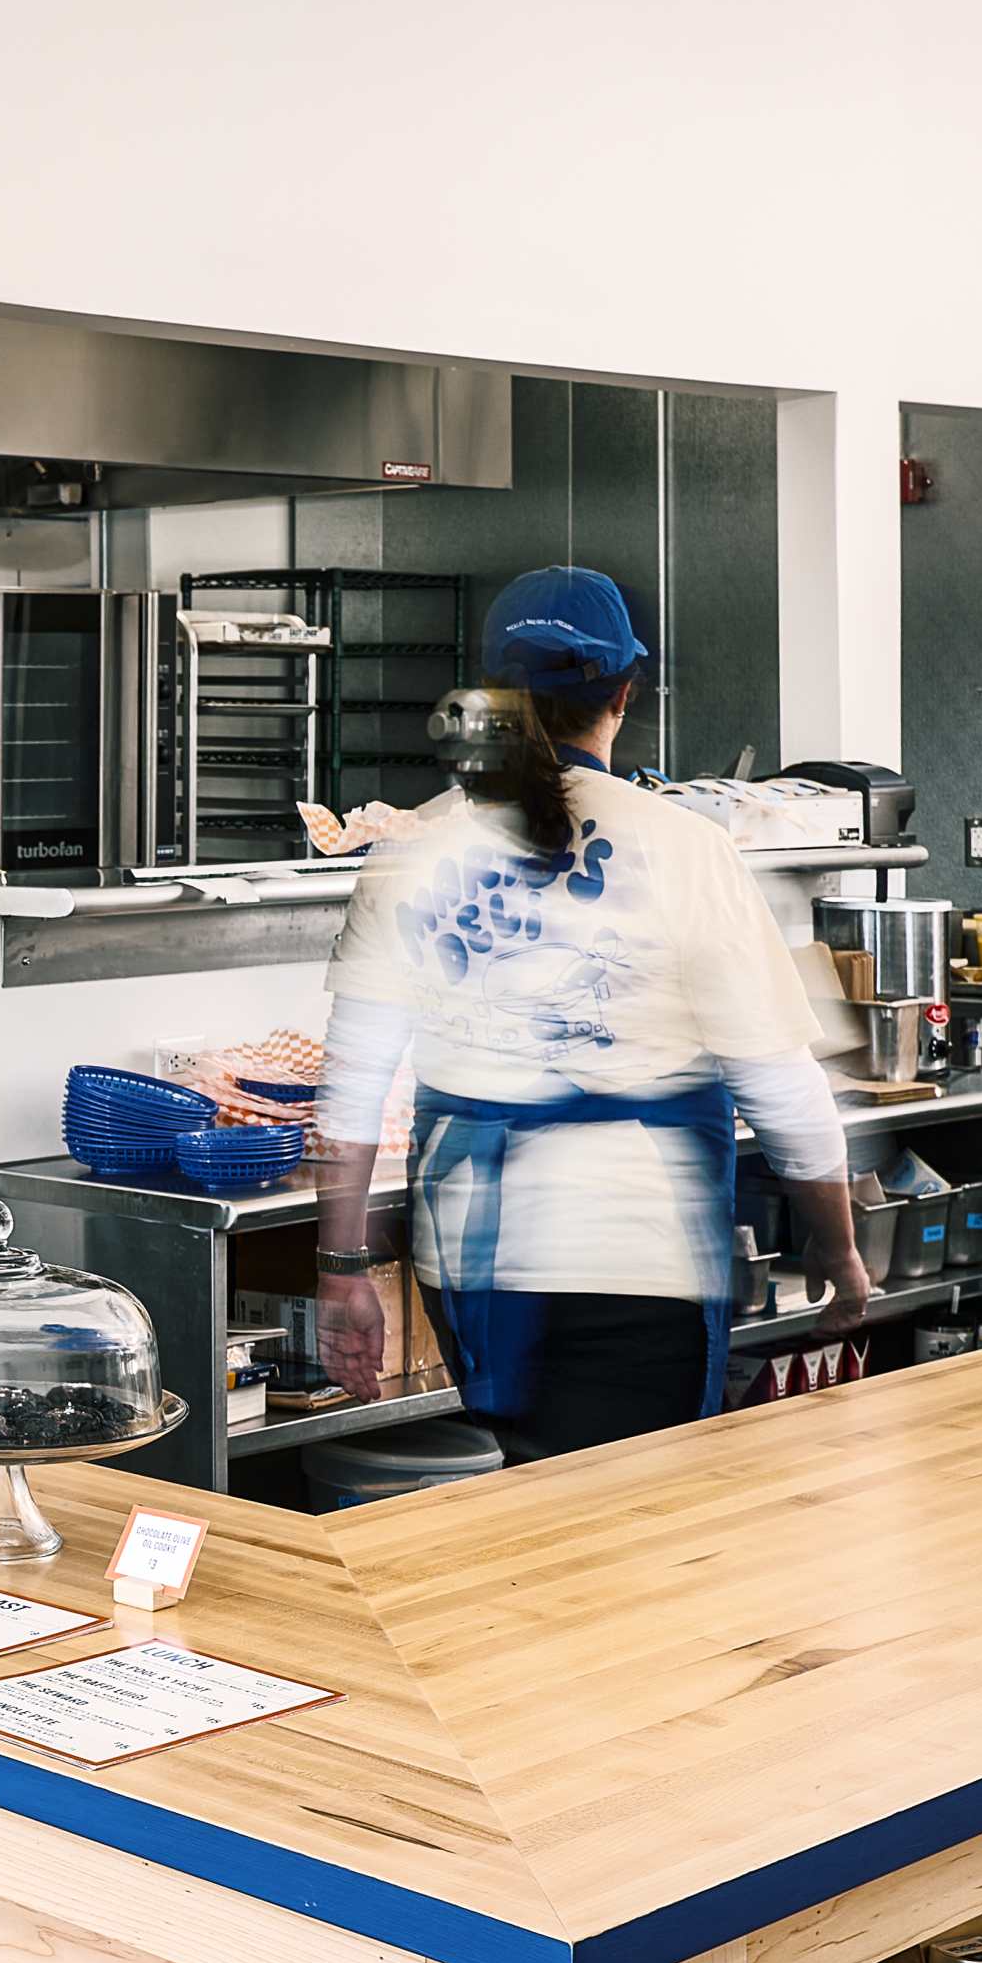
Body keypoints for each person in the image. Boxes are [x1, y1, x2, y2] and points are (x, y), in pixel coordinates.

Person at [311, 565, 873, 1461]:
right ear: (625, 692)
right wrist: (838, 1249)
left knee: (536, 1497)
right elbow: (779, 1088)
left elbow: (352, 1086)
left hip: (469, 1259)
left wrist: (340, 1269)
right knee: (629, 1527)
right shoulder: (686, 848)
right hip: (635, 1248)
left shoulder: (414, 849)